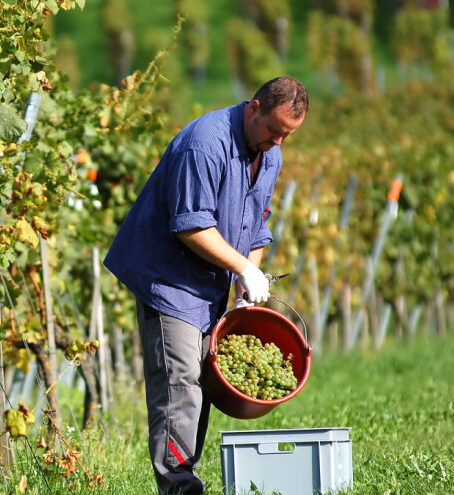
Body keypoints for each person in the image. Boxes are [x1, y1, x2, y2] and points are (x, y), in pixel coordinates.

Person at [103, 76, 309, 494]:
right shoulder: (204, 144)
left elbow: (256, 227)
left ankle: (183, 480)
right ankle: (180, 486)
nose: (277, 143)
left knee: (202, 383)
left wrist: (244, 287)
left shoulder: (270, 156)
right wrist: (242, 269)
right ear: (253, 108)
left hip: (210, 283)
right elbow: (190, 226)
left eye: (287, 137)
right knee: (181, 388)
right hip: (170, 281)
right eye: (273, 130)